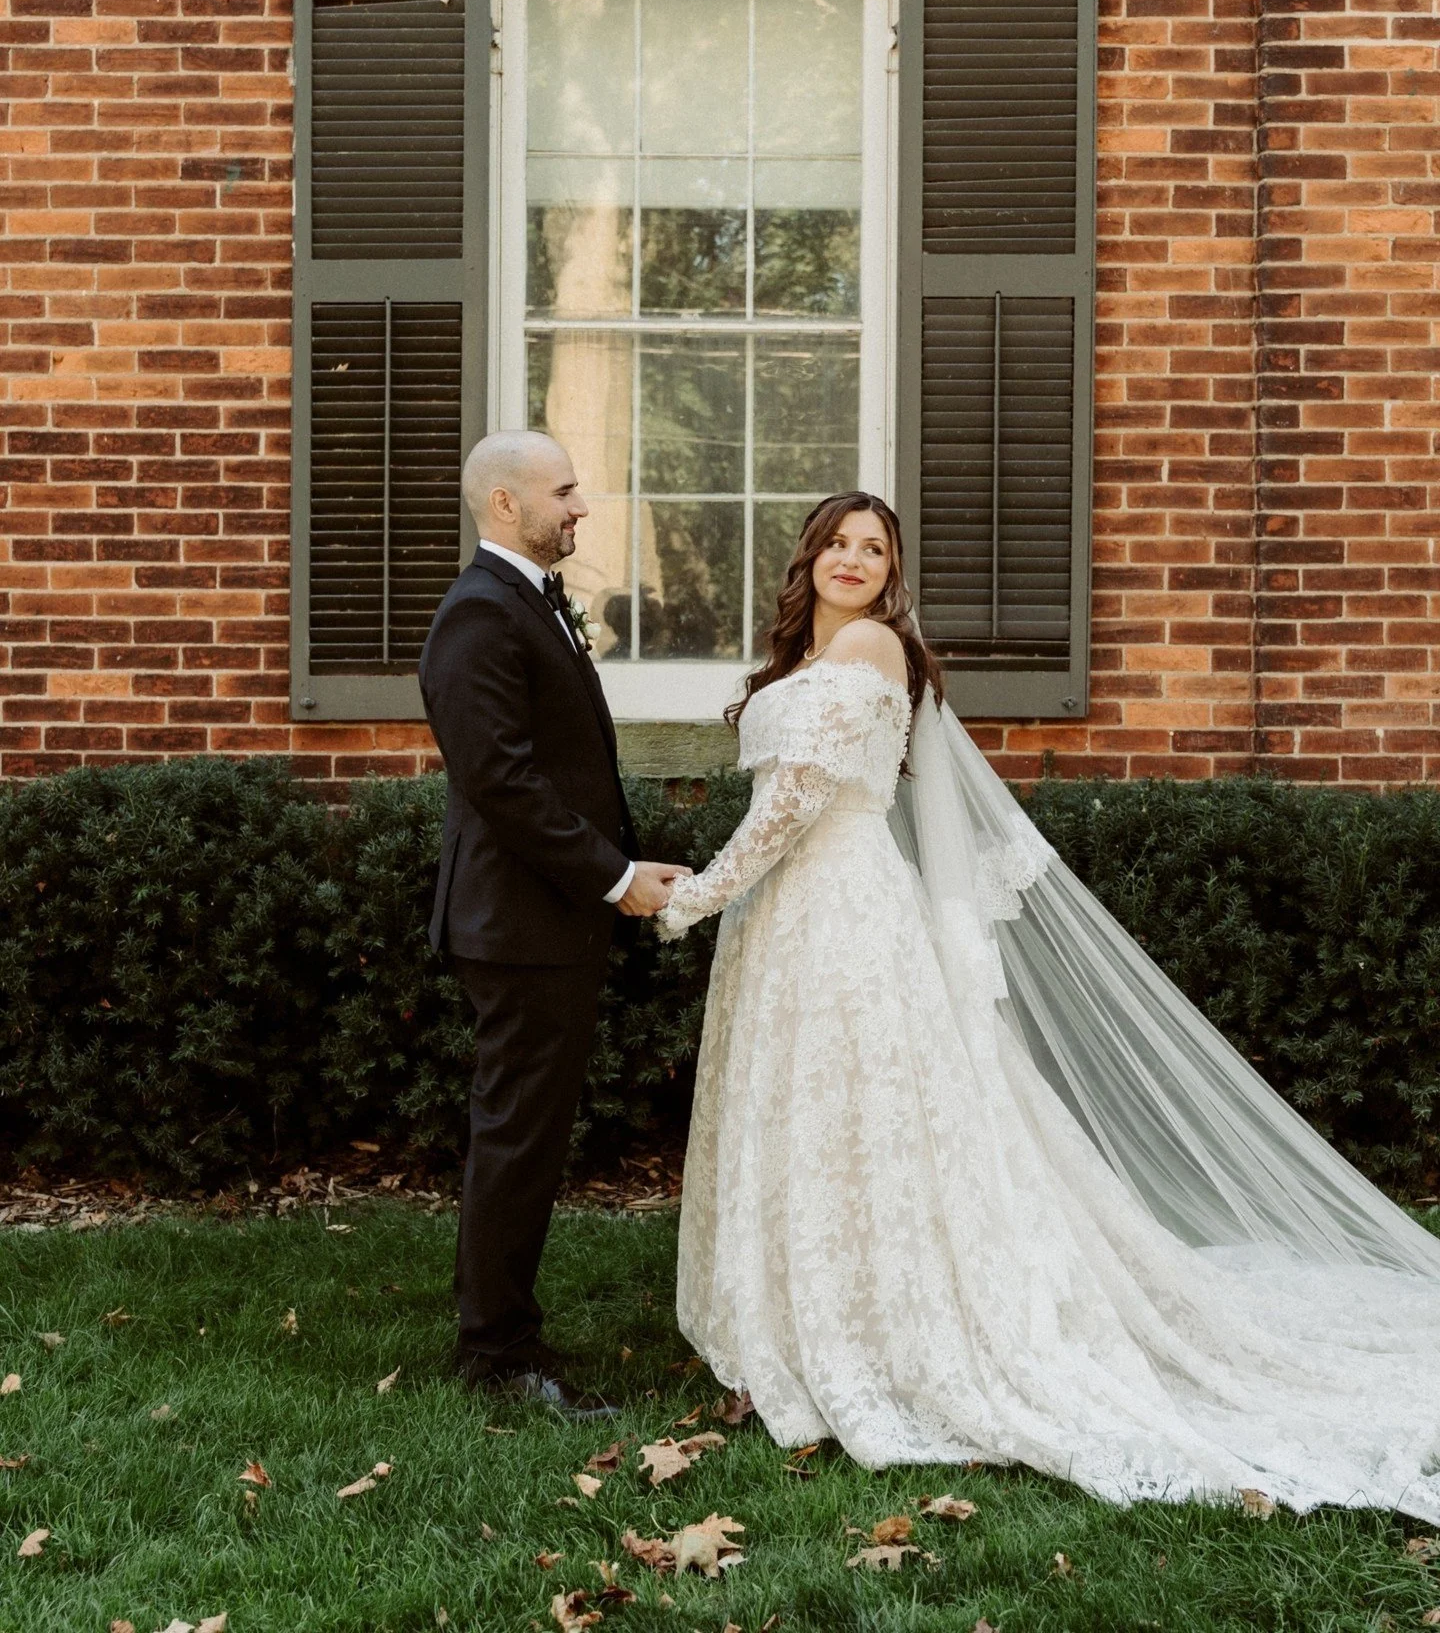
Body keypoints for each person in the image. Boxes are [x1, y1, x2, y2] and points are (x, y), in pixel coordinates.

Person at [657, 489, 1440, 1522]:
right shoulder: (807, 662)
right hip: (790, 923)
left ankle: (882, 1330)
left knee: (867, 1119)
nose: (854, 560)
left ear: (893, 574)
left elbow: (795, 802)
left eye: (875, 549)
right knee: (811, 1118)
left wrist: (693, 899)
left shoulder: (873, 656)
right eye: (838, 544)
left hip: (842, 916)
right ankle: (803, 1319)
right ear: (808, 559)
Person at [419, 430, 689, 1416]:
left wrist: (619, 869)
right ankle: (497, 1355)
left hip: (544, 919)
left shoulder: (528, 601)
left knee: (527, 1134)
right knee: (518, 1137)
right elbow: (503, 783)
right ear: (504, 505)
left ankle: (504, 1334)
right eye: (564, 491)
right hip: (520, 925)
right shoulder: (479, 616)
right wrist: (615, 878)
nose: (580, 506)